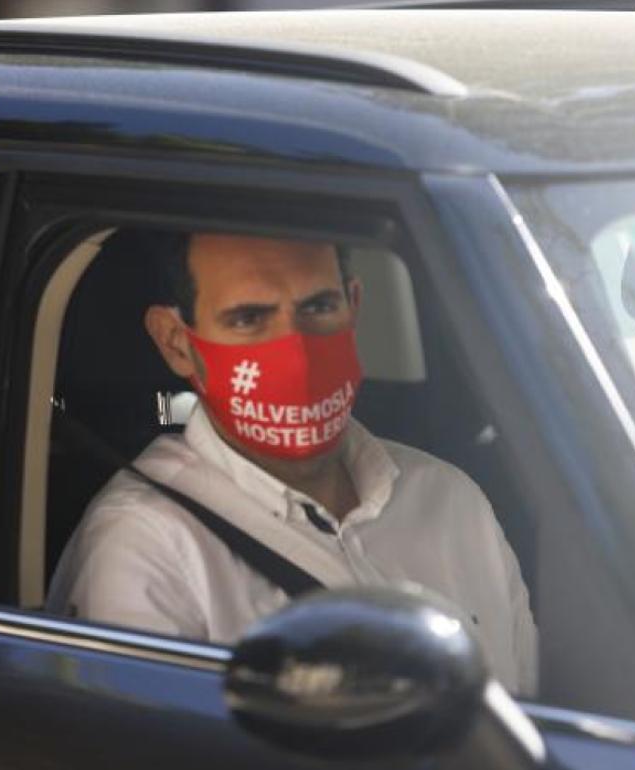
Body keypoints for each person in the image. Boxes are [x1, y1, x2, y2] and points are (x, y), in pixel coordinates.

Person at [46, 231, 538, 695]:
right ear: (177, 342)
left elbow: (537, 713)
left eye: (319, 307)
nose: (296, 355)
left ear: (353, 306)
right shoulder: (148, 545)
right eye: (249, 318)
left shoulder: (451, 499)